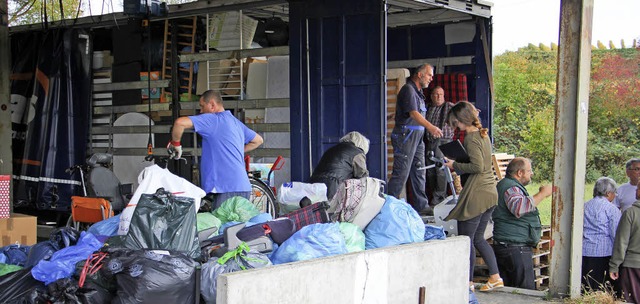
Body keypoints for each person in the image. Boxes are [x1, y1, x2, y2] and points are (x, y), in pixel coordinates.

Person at [167, 90, 263, 209]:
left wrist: (176, 144)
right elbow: (258, 140)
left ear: (212, 105)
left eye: (202, 106)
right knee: (237, 227)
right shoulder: (236, 122)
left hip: (226, 188)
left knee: (222, 227)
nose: (201, 111)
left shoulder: (214, 120)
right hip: (243, 187)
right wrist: (232, 151)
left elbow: (180, 123)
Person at [442, 101, 502, 292]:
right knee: (478, 238)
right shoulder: (483, 135)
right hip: (490, 192)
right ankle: (495, 277)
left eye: (455, 123)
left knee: (465, 239)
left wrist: (454, 165)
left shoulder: (471, 138)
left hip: (477, 194)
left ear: (462, 120)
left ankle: (467, 283)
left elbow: (478, 167)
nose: (455, 126)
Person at [387, 64, 443, 214]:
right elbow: (413, 114)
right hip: (406, 136)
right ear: (420, 74)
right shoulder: (408, 90)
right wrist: (431, 127)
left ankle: (422, 206)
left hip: (417, 137)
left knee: (419, 171)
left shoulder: (418, 92)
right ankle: (385, 207)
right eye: (429, 75)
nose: (431, 78)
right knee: (401, 174)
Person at [491, 157, 552, 290]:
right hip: (515, 248)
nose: (532, 174)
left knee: (509, 292)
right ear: (519, 173)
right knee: (524, 291)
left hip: (509, 246)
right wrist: (542, 194)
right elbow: (519, 208)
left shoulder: (507, 185)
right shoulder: (510, 187)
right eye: (529, 171)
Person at [582, 177, 621, 292]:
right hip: (604, 253)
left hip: (585, 251)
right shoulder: (612, 209)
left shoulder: (585, 206)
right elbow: (616, 234)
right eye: (615, 193)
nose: (615, 196)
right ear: (608, 193)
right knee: (601, 287)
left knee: (587, 286)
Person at [309, 131, 370, 200]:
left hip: (314, 186)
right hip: (333, 188)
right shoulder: (357, 152)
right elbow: (363, 177)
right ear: (362, 145)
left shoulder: (331, 149)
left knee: (316, 209)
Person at [609, 184, 640, 303]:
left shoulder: (630, 213)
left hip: (633, 265)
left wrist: (614, 265)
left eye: (638, 189)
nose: (636, 191)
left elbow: (621, 242)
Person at [424, 86, 455, 205]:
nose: (438, 97)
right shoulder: (428, 107)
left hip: (444, 141)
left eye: (441, 94)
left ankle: (439, 197)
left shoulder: (448, 106)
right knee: (430, 170)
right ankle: (435, 195)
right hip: (430, 141)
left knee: (440, 169)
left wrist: (472, 111)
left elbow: (461, 108)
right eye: (436, 94)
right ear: (431, 96)